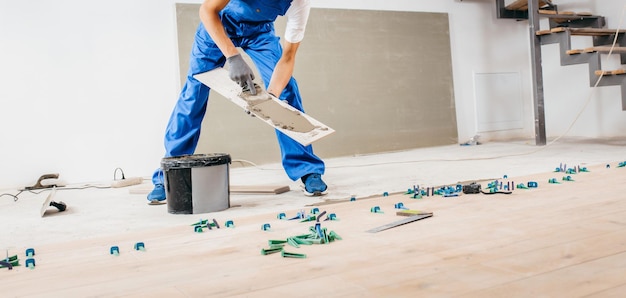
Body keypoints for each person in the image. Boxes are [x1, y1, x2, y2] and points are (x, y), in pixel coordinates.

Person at [148, 0, 327, 202]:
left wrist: (271, 98)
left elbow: (288, 57)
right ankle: (168, 175)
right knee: (193, 94)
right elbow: (207, 10)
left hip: (260, 33)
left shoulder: (300, 3)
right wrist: (233, 57)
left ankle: (307, 169)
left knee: (286, 92)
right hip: (219, 23)